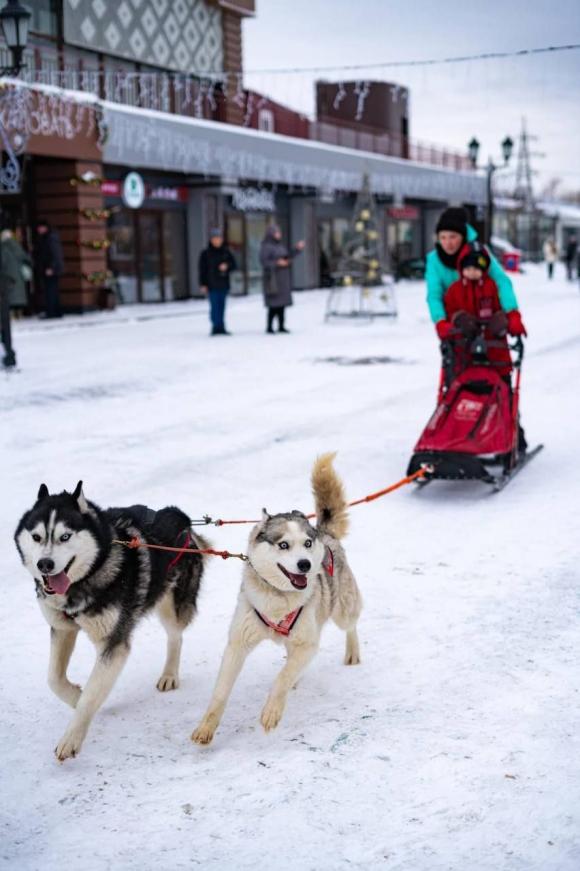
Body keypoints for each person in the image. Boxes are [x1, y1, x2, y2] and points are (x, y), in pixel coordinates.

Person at [436, 239, 528, 451]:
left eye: (477, 268)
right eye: (468, 268)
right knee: (460, 399)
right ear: (461, 269)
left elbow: (504, 307)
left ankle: (513, 437)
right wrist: (457, 320)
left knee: (504, 396)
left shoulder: (492, 288)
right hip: (463, 355)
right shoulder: (454, 291)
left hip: (495, 354)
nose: (472, 272)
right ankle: (456, 439)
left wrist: (504, 320)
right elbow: (448, 315)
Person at [426, 206, 520, 329]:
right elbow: (434, 294)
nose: (447, 243)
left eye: (453, 237)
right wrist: (440, 321)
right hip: (455, 323)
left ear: (463, 236)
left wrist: (512, 312)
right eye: (442, 237)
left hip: (485, 318)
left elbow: (501, 281)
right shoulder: (434, 260)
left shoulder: (477, 253)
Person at [259, 224, 305, 333]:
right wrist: (277, 263)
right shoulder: (266, 246)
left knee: (282, 304)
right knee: (273, 304)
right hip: (272, 279)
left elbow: (287, 256)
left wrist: (297, 249)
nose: (279, 235)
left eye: (279, 233)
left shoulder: (280, 246)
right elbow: (264, 261)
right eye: (276, 233)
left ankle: (281, 326)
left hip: (283, 278)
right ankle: (270, 326)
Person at [0, 227, 32, 369]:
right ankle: (9, 355)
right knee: (5, 326)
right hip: (6, 290)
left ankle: (9, 356)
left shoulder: (4, 249)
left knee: (4, 326)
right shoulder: (15, 247)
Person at [198, 228, 237, 336]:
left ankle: (221, 327)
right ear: (211, 240)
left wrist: (227, 266)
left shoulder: (226, 252)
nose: (217, 241)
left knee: (222, 306)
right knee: (214, 306)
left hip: (223, 283)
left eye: (219, 238)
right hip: (211, 284)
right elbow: (202, 270)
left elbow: (234, 265)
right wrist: (203, 284)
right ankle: (216, 326)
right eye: (215, 238)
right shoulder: (205, 254)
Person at [35, 219, 64, 318]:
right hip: (49, 268)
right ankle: (56, 311)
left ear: (45, 228)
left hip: (50, 268)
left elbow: (55, 254)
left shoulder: (50, 238)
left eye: (40, 228)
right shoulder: (47, 237)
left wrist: (51, 267)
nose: (38, 230)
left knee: (50, 291)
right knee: (52, 290)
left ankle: (52, 312)